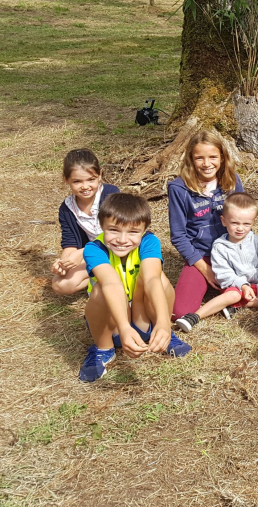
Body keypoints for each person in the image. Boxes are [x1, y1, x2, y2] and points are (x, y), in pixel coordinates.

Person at [80, 193, 191, 382]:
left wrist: (164, 322)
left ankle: (163, 332)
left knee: (159, 277)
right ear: (101, 226)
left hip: (143, 318)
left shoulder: (149, 241)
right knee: (100, 288)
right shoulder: (94, 248)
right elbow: (111, 283)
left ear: (144, 230)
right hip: (113, 325)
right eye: (113, 230)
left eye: (132, 232)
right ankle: (103, 349)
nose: (122, 239)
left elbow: (152, 280)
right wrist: (124, 328)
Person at [174, 192, 258, 332]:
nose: (240, 228)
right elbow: (224, 273)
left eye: (246, 224)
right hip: (235, 286)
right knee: (233, 295)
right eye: (235, 223)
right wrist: (243, 286)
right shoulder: (219, 246)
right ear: (224, 221)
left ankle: (237, 306)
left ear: (253, 222)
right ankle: (195, 317)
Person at [168, 130, 254, 319]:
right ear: (191, 159)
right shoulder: (178, 188)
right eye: (199, 158)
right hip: (202, 255)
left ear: (222, 157)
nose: (207, 164)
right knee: (180, 312)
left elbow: (244, 218)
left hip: (231, 251)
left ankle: (231, 294)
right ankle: (225, 291)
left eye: (213, 157)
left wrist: (246, 254)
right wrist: (205, 270)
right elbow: (178, 235)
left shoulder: (232, 180)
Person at [51, 149, 120, 295]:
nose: (85, 186)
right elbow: (70, 242)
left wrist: (82, 252)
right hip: (94, 254)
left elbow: (119, 233)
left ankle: (108, 278)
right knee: (60, 284)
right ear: (65, 179)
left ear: (100, 175)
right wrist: (64, 263)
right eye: (77, 181)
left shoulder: (110, 195)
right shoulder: (67, 208)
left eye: (91, 179)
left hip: (120, 250)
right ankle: (100, 277)